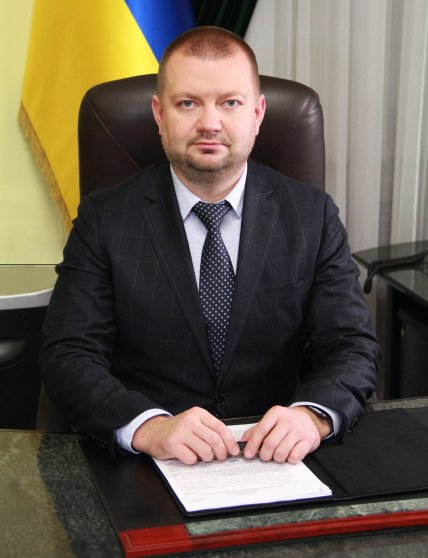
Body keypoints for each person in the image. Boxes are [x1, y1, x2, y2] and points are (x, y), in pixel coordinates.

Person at [41, 26, 380, 465]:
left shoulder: (311, 216)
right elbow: (69, 355)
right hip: (153, 462)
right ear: (159, 115)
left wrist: (310, 417)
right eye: (187, 103)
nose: (209, 123)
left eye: (230, 103)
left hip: (276, 457)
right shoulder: (104, 219)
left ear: (257, 114)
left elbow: (351, 345)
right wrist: (149, 428)